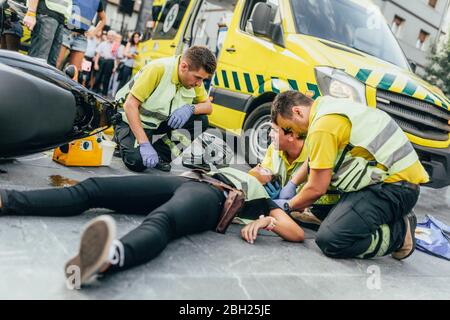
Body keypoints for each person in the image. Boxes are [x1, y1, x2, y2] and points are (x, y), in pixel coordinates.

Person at [0, 166, 305, 287]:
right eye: (261, 166)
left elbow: (297, 232)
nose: (263, 169)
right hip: (185, 180)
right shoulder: (229, 166)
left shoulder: (264, 197)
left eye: (269, 171)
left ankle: (108, 259)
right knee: (93, 188)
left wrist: (268, 220)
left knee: (163, 220)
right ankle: (7, 200)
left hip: (211, 197)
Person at [271, 91, 430, 260]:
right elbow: (317, 158)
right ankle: (324, 213)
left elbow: (317, 188)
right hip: (390, 182)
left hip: (395, 189)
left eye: (288, 128)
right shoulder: (326, 108)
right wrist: (293, 183)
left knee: (331, 240)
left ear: (297, 111)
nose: (293, 134)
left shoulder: (322, 126)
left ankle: (399, 233)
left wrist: (288, 205)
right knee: (319, 170)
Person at [114, 46, 216, 173]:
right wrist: (144, 143)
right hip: (130, 119)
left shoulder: (192, 80)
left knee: (201, 120)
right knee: (137, 162)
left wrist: (190, 108)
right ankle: (121, 138)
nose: (199, 84)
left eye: (203, 79)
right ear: (184, 67)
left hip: (157, 122)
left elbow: (208, 107)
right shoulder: (158, 69)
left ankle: (160, 155)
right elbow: (130, 105)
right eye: (198, 78)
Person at [253, 122, 340, 230]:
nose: (270, 134)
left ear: (291, 136)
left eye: (275, 131)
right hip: (291, 212)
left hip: (318, 215)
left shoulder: (316, 151)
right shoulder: (274, 149)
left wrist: (291, 202)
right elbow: (259, 174)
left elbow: (318, 189)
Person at [56, 0, 106, 76]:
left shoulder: (97, 2)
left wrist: (93, 32)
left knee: (74, 72)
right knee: (56, 65)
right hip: (65, 32)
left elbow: (103, 19)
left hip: (81, 38)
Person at [24, 0, 71, 66]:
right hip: (46, 13)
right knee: (38, 61)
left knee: (50, 65)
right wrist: (31, 13)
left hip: (60, 18)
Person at [93, 30, 116, 96]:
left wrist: (115, 67)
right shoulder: (103, 43)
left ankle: (104, 93)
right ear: (107, 36)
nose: (111, 37)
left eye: (112, 36)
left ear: (114, 37)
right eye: (109, 35)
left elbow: (116, 58)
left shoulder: (115, 45)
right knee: (98, 76)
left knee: (107, 78)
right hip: (102, 60)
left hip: (110, 62)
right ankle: (95, 90)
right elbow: (98, 54)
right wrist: (96, 63)